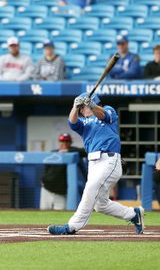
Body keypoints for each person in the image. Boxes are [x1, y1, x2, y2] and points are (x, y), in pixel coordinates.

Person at [48, 93, 145, 235]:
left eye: (82, 107)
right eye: (80, 107)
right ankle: (133, 214)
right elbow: (72, 122)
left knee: (91, 188)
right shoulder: (84, 123)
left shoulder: (107, 109)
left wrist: (91, 105)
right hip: (93, 164)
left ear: (92, 102)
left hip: (109, 160)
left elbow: (103, 115)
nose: (81, 110)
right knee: (101, 205)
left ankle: (72, 226)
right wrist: (75, 107)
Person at [40, 133, 86, 210]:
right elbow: (46, 168)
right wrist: (43, 178)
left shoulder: (74, 152)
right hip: (47, 189)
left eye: (67, 141)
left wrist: (68, 151)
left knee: (61, 214)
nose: (65, 143)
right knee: (43, 212)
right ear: (59, 142)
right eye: (62, 141)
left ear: (70, 142)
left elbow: (86, 151)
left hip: (61, 192)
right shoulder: (53, 153)